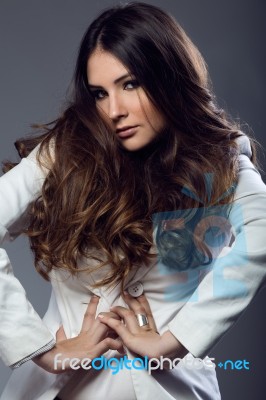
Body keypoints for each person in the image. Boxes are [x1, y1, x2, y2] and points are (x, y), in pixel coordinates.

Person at [0, 2, 265, 399]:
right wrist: (41, 348)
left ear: (168, 78)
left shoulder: (220, 163)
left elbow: (260, 231)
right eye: (99, 94)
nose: (114, 110)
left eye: (130, 84)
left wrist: (176, 340)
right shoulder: (66, 153)